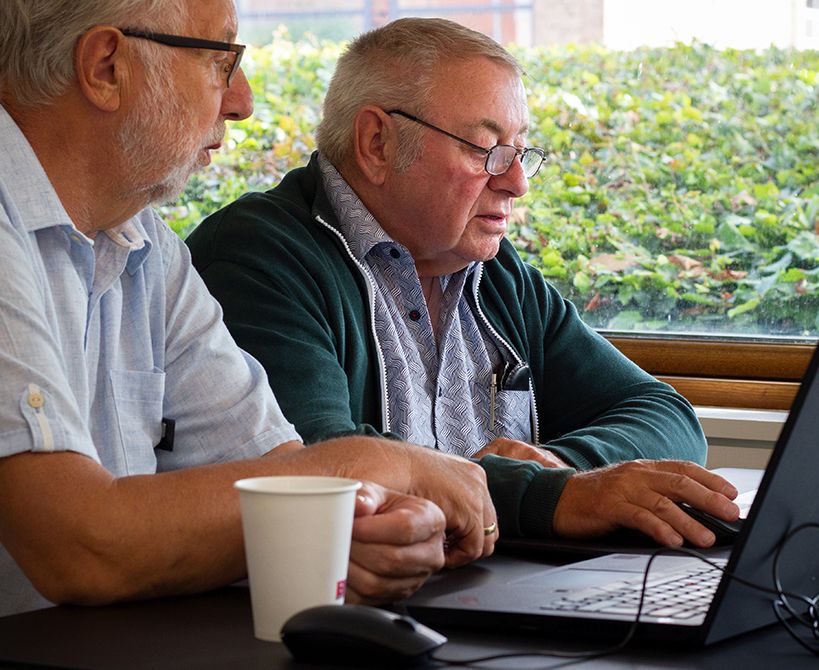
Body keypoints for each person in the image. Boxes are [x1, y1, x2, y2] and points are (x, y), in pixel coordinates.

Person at [0, 0, 500, 619]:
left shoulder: (145, 244)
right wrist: (370, 467)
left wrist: (372, 521)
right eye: (222, 60)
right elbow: (80, 543)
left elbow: (274, 469)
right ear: (107, 67)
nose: (242, 100)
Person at [187, 18, 741, 550]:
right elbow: (315, 465)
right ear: (377, 142)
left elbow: (664, 414)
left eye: (521, 151)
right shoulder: (259, 257)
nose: (517, 182)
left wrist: (569, 469)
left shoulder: (497, 274)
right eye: (486, 150)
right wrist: (550, 498)